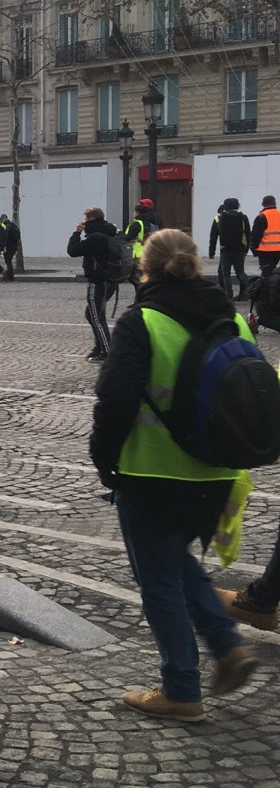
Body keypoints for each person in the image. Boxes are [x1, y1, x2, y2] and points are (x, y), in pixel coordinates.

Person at [89, 229, 259, 721]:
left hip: (153, 474)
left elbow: (115, 399)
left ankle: (182, 688)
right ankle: (228, 647)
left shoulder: (142, 321)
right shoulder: (233, 322)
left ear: (144, 268)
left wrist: (105, 462)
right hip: (220, 473)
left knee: (159, 579)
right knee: (173, 565)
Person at [68, 206, 121, 360]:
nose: (83, 223)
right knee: (93, 314)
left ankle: (107, 351)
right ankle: (99, 348)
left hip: (97, 281)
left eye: (85, 220)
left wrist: (76, 233)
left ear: (91, 220)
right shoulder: (110, 232)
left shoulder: (95, 237)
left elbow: (72, 250)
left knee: (96, 317)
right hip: (110, 280)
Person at [209, 196, 251, 299]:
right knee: (240, 272)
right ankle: (249, 290)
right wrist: (246, 249)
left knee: (225, 274)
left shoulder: (218, 218)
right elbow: (248, 234)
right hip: (240, 250)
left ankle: (229, 295)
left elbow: (213, 236)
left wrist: (212, 252)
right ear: (237, 205)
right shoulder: (243, 217)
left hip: (225, 250)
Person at [252, 195, 280, 278]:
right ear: (275, 203)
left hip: (265, 250)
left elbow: (255, 235)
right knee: (274, 271)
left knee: (266, 274)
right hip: (278, 250)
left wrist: (254, 249)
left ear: (263, 204)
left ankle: (268, 289)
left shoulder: (262, 216)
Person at [1, 215, 22, 281]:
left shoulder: (6, 226)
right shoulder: (12, 225)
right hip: (14, 246)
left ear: (3, 219)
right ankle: (10, 276)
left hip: (8, 246)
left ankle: (10, 276)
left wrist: (3, 245)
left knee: (8, 261)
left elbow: (6, 237)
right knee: (9, 261)